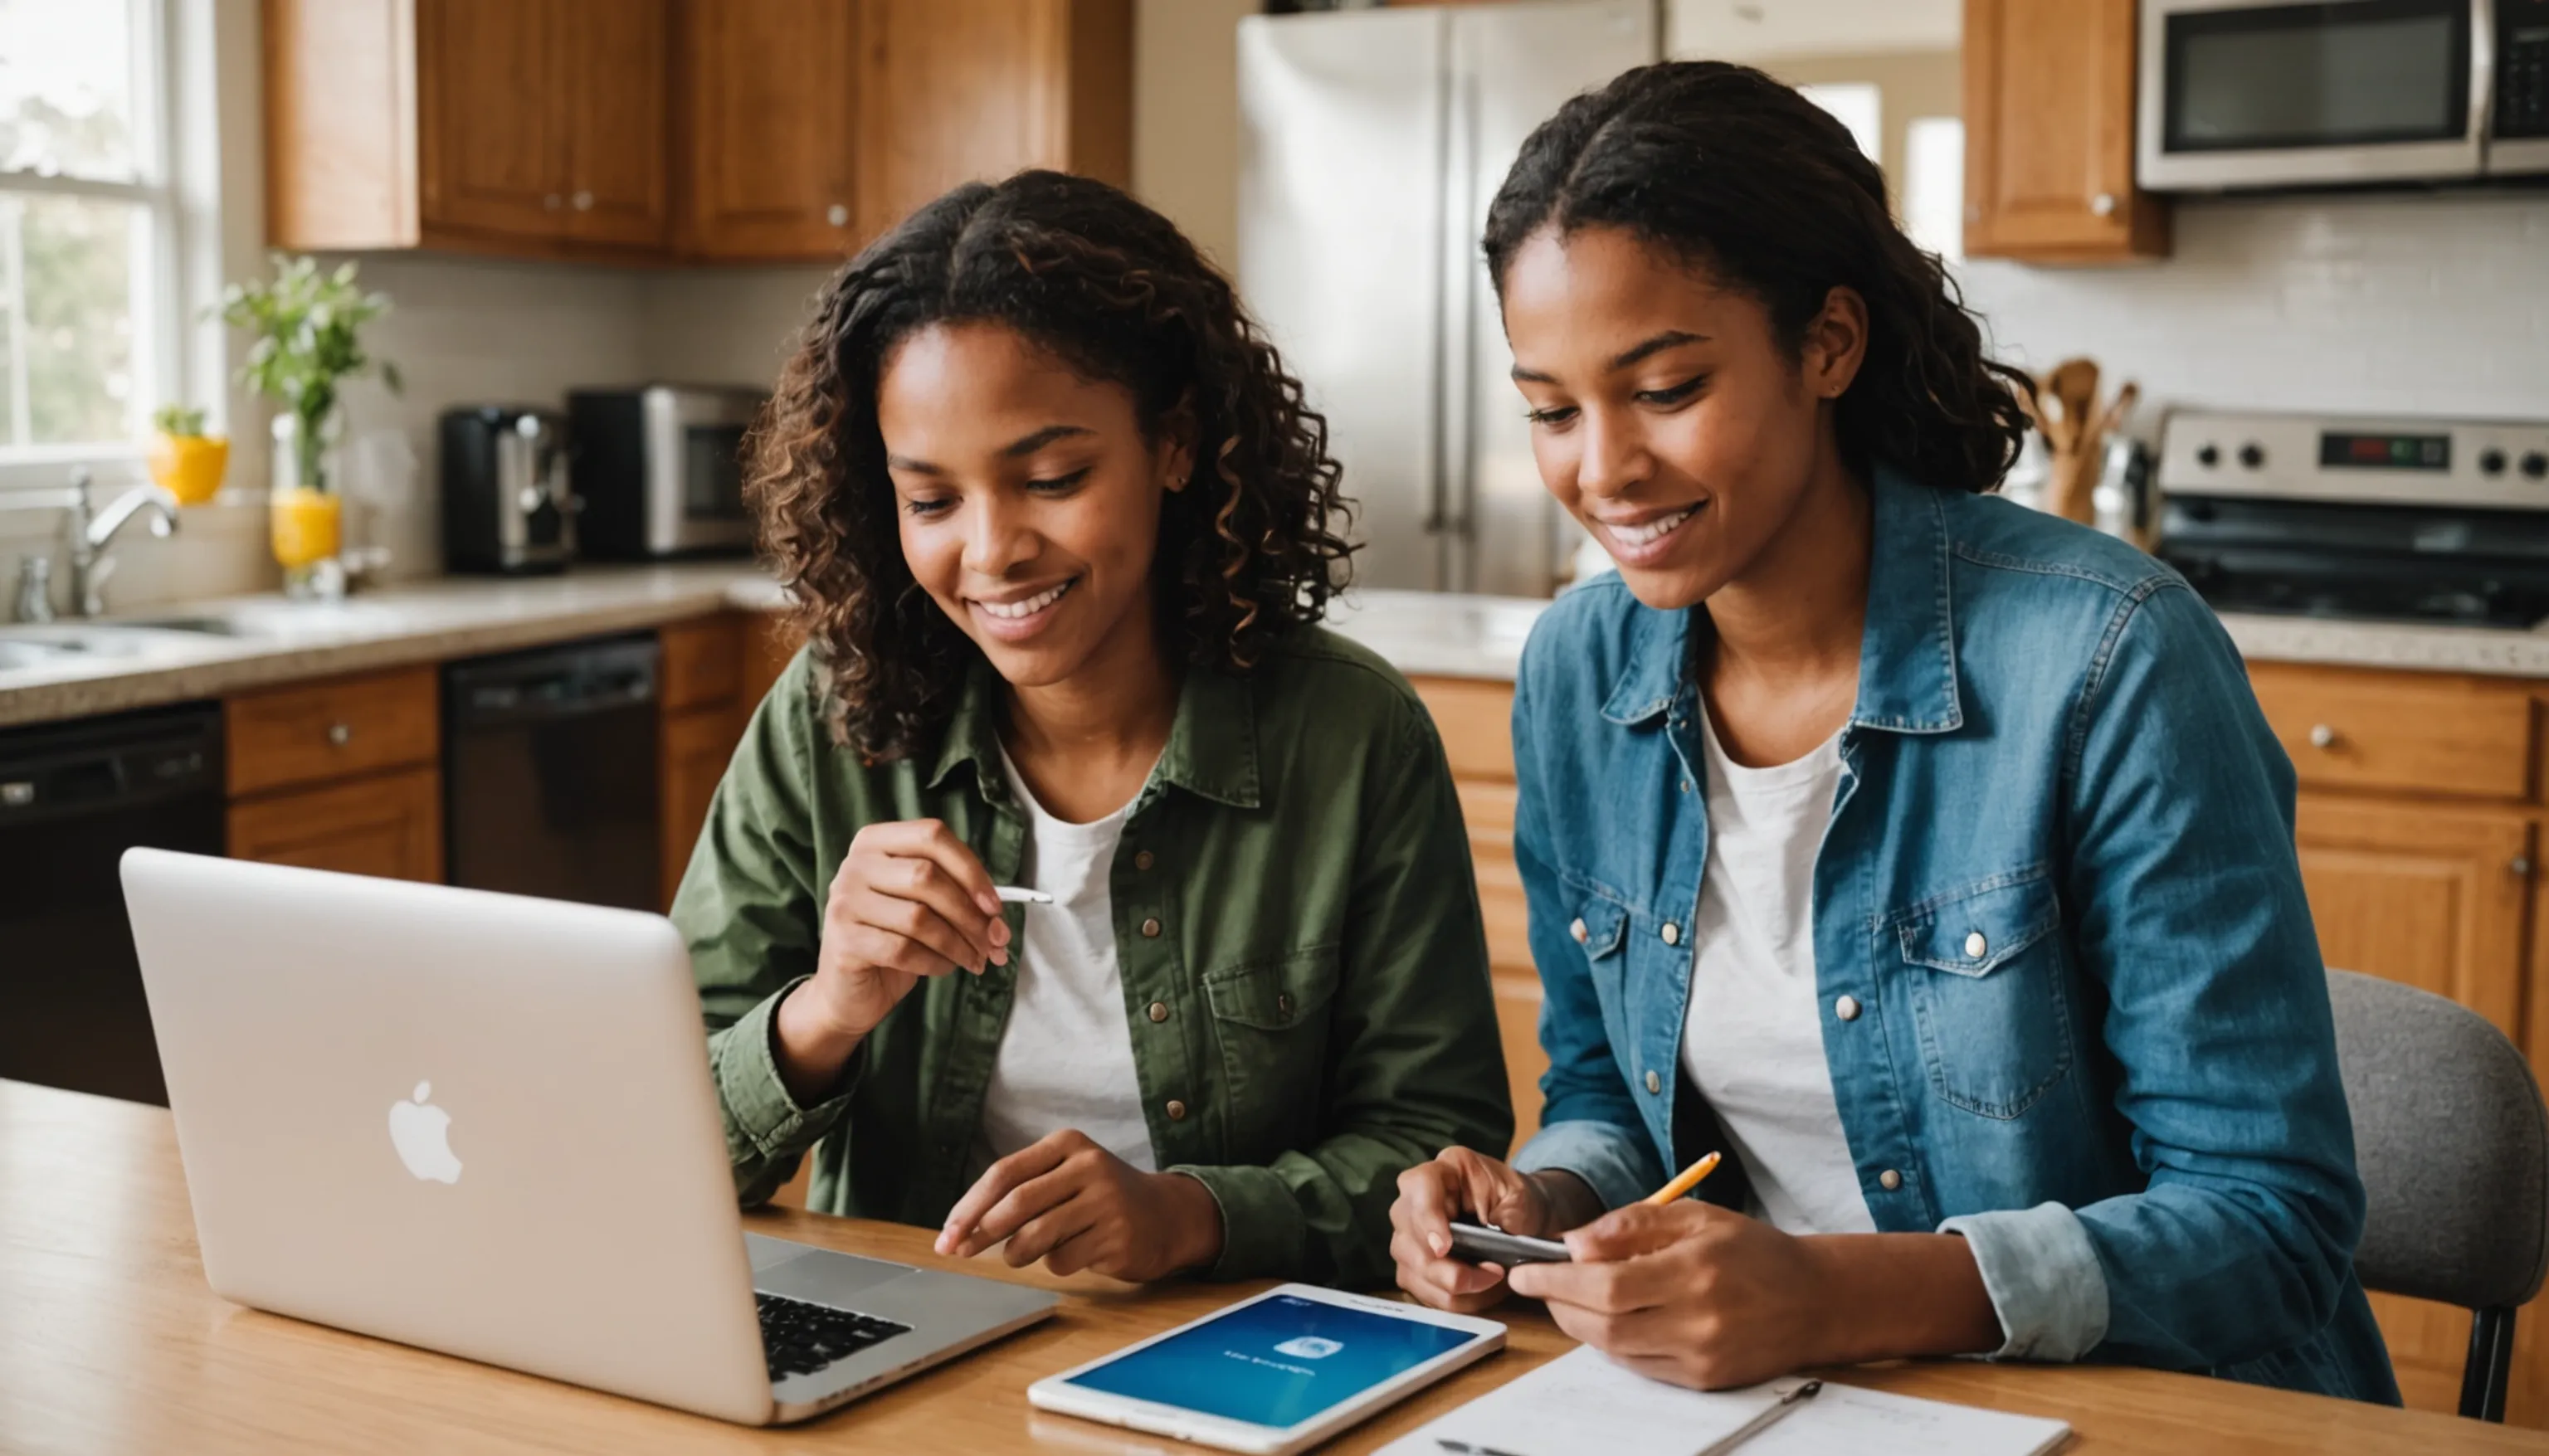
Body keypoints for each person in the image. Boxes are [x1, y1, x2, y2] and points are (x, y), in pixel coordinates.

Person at [1387, 62, 2399, 1404]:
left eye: (1667, 387)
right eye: (1554, 411)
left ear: (1828, 344)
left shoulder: (2107, 658)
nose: (1605, 468)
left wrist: (1826, 1294)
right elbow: (1614, 1098)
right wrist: (1542, 1194)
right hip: (1781, 1402)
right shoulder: (1581, 674)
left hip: (2140, 1409)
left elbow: (2271, 1225)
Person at [677, 170, 1510, 1288]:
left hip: (1239, 1347)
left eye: (1053, 477)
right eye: (931, 501)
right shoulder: (835, 720)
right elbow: (649, 1138)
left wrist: (1192, 1216)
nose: (991, 551)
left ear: (1173, 444)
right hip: (907, 1334)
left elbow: (1437, 1149)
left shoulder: (1351, 734)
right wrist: (826, 1011)